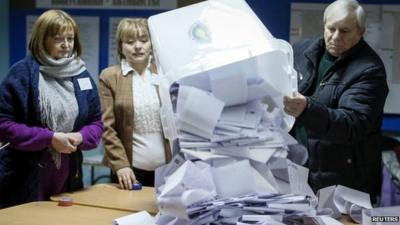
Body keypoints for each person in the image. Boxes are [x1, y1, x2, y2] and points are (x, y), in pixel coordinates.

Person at [283, 0, 388, 202]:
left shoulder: (370, 70)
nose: (336, 37)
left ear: (361, 32)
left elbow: (352, 125)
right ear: (324, 26)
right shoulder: (301, 51)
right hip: (298, 169)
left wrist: (307, 109)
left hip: (344, 179)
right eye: (331, 28)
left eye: (345, 31)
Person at [0, 9, 103, 208]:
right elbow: (3, 124)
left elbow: (96, 123)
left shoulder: (81, 75)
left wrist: (81, 136)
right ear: (42, 40)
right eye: (58, 39)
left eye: (70, 38)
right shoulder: (22, 73)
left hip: (68, 178)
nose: (66, 45)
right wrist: (50, 138)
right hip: (23, 179)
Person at [99, 18, 171, 189]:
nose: (138, 46)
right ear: (121, 46)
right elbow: (106, 126)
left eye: (144, 40)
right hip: (129, 171)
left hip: (169, 169)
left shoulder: (165, 72)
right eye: (130, 42)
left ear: (151, 44)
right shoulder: (110, 76)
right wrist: (120, 164)